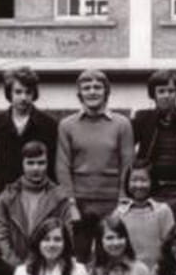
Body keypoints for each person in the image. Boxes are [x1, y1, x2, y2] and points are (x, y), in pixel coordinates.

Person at [56, 69, 134, 262]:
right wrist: (71, 204)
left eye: (97, 87)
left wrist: (122, 203)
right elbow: (63, 165)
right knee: (78, 258)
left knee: (110, 257)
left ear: (106, 92)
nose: (92, 92)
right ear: (79, 94)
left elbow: (128, 165)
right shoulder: (67, 125)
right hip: (79, 204)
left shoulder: (121, 124)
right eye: (87, 88)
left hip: (112, 204)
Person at [0, 67, 58, 219]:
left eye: (28, 92)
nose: (23, 97)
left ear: (34, 94)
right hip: (1, 199)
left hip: (37, 201)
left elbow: (53, 166)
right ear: (9, 93)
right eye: (18, 92)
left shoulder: (49, 125)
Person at [0, 140, 74, 267]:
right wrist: (17, 266)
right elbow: (1, 236)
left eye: (41, 163)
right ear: (22, 164)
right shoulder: (6, 198)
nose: (36, 168)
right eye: (30, 163)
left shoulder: (60, 198)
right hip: (14, 267)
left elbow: (68, 234)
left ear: (47, 164)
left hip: (49, 266)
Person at [133, 70, 176, 219]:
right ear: (153, 94)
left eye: (171, 91)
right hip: (151, 190)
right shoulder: (142, 120)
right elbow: (127, 150)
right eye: (161, 91)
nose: (166, 95)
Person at [112, 159, 175, 270]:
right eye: (134, 180)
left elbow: (170, 246)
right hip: (129, 273)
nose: (139, 185)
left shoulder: (162, 211)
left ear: (152, 181)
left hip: (157, 272)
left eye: (144, 180)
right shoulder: (119, 213)